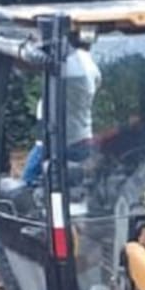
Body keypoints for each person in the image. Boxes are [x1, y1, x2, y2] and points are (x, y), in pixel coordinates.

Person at [21, 35, 101, 185]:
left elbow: (28, 61)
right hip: (82, 139)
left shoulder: (68, 66)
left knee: (27, 184)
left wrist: (28, 45)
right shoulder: (91, 65)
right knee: (75, 188)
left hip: (56, 143)